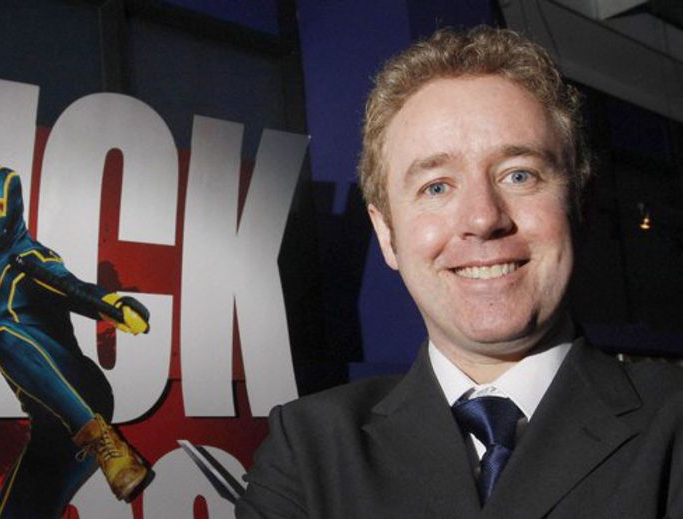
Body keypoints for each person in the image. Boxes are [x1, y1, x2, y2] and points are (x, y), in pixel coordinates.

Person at [236, 26, 683, 518]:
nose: (483, 218)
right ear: (386, 233)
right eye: (436, 187)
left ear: (581, 205)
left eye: (519, 175)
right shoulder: (309, 451)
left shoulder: (673, 425)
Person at [0, 164, 152, 518]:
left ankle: (102, 439)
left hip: (81, 396)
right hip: (51, 421)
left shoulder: (30, 258)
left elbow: (70, 287)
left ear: (13, 207)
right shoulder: (1, 269)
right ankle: (93, 437)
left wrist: (112, 306)